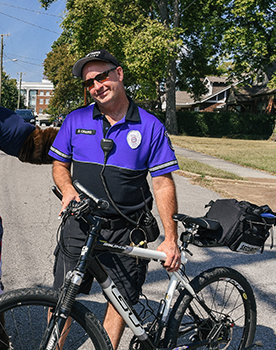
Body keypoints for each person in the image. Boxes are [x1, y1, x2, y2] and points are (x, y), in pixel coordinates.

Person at [48, 49, 181, 349]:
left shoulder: (150, 127)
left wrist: (170, 238)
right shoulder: (75, 119)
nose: (96, 86)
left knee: (118, 304)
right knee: (62, 298)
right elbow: (59, 164)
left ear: (119, 74)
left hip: (127, 230)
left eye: (101, 76)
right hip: (79, 223)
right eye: (89, 83)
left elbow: (162, 184)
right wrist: (68, 191)